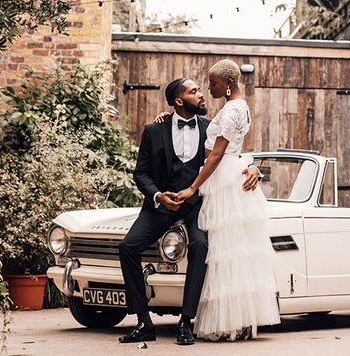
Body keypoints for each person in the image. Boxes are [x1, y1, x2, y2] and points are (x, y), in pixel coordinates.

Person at [117, 77, 260, 346]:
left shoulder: (210, 126)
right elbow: (141, 174)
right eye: (194, 92)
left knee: (201, 245)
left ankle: (185, 322)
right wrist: (159, 196)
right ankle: (144, 323)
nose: (202, 94)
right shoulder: (153, 130)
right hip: (162, 205)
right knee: (128, 247)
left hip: (198, 204)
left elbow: (231, 156)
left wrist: (254, 170)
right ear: (179, 101)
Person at [173, 59, 280, 341]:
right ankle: (239, 320)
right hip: (228, 175)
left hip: (222, 180)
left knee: (225, 251)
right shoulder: (237, 107)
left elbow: (219, 153)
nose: (209, 88)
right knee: (232, 251)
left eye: (213, 83)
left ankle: (229, 321)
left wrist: (193, 186)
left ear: (228, 84)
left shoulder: (233, 109)